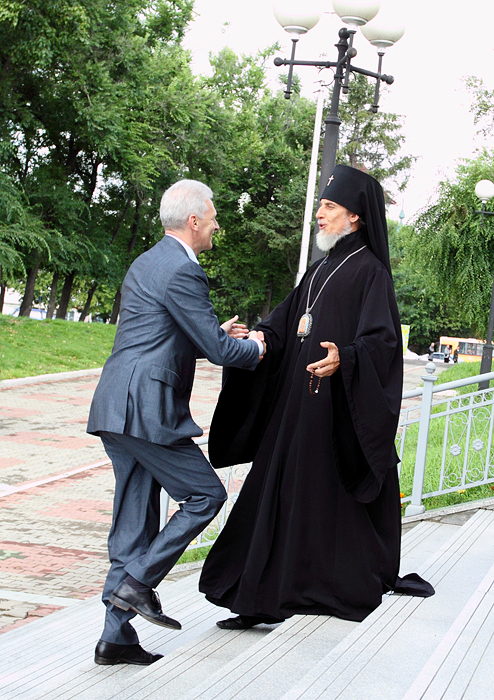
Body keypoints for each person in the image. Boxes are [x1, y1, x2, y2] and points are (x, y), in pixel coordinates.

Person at [199, 165, 434, 630]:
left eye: (329, 207)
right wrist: (259, 338)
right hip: (294, 410)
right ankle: (259, 595)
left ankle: (314, 585)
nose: (320, 215)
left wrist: (346, 358)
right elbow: (287, 323)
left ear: (356, 216)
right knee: (277, 495)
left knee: (320, 500)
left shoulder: (371, 273)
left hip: (333, 415)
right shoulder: (320, 268)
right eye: (321, 206)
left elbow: (382, 344)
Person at [87, 179, 265, 665]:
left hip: (115, 405)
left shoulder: (147, 262)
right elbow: (221, 352)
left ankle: (115, 639)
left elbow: (160, 334)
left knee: (133, 524)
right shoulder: (185, 270)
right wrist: (257, 347)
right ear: (193, 220)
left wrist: (214, 333)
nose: (216, 226)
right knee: (206, 495)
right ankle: (138, 583)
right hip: (146, 411)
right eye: (213, 217)